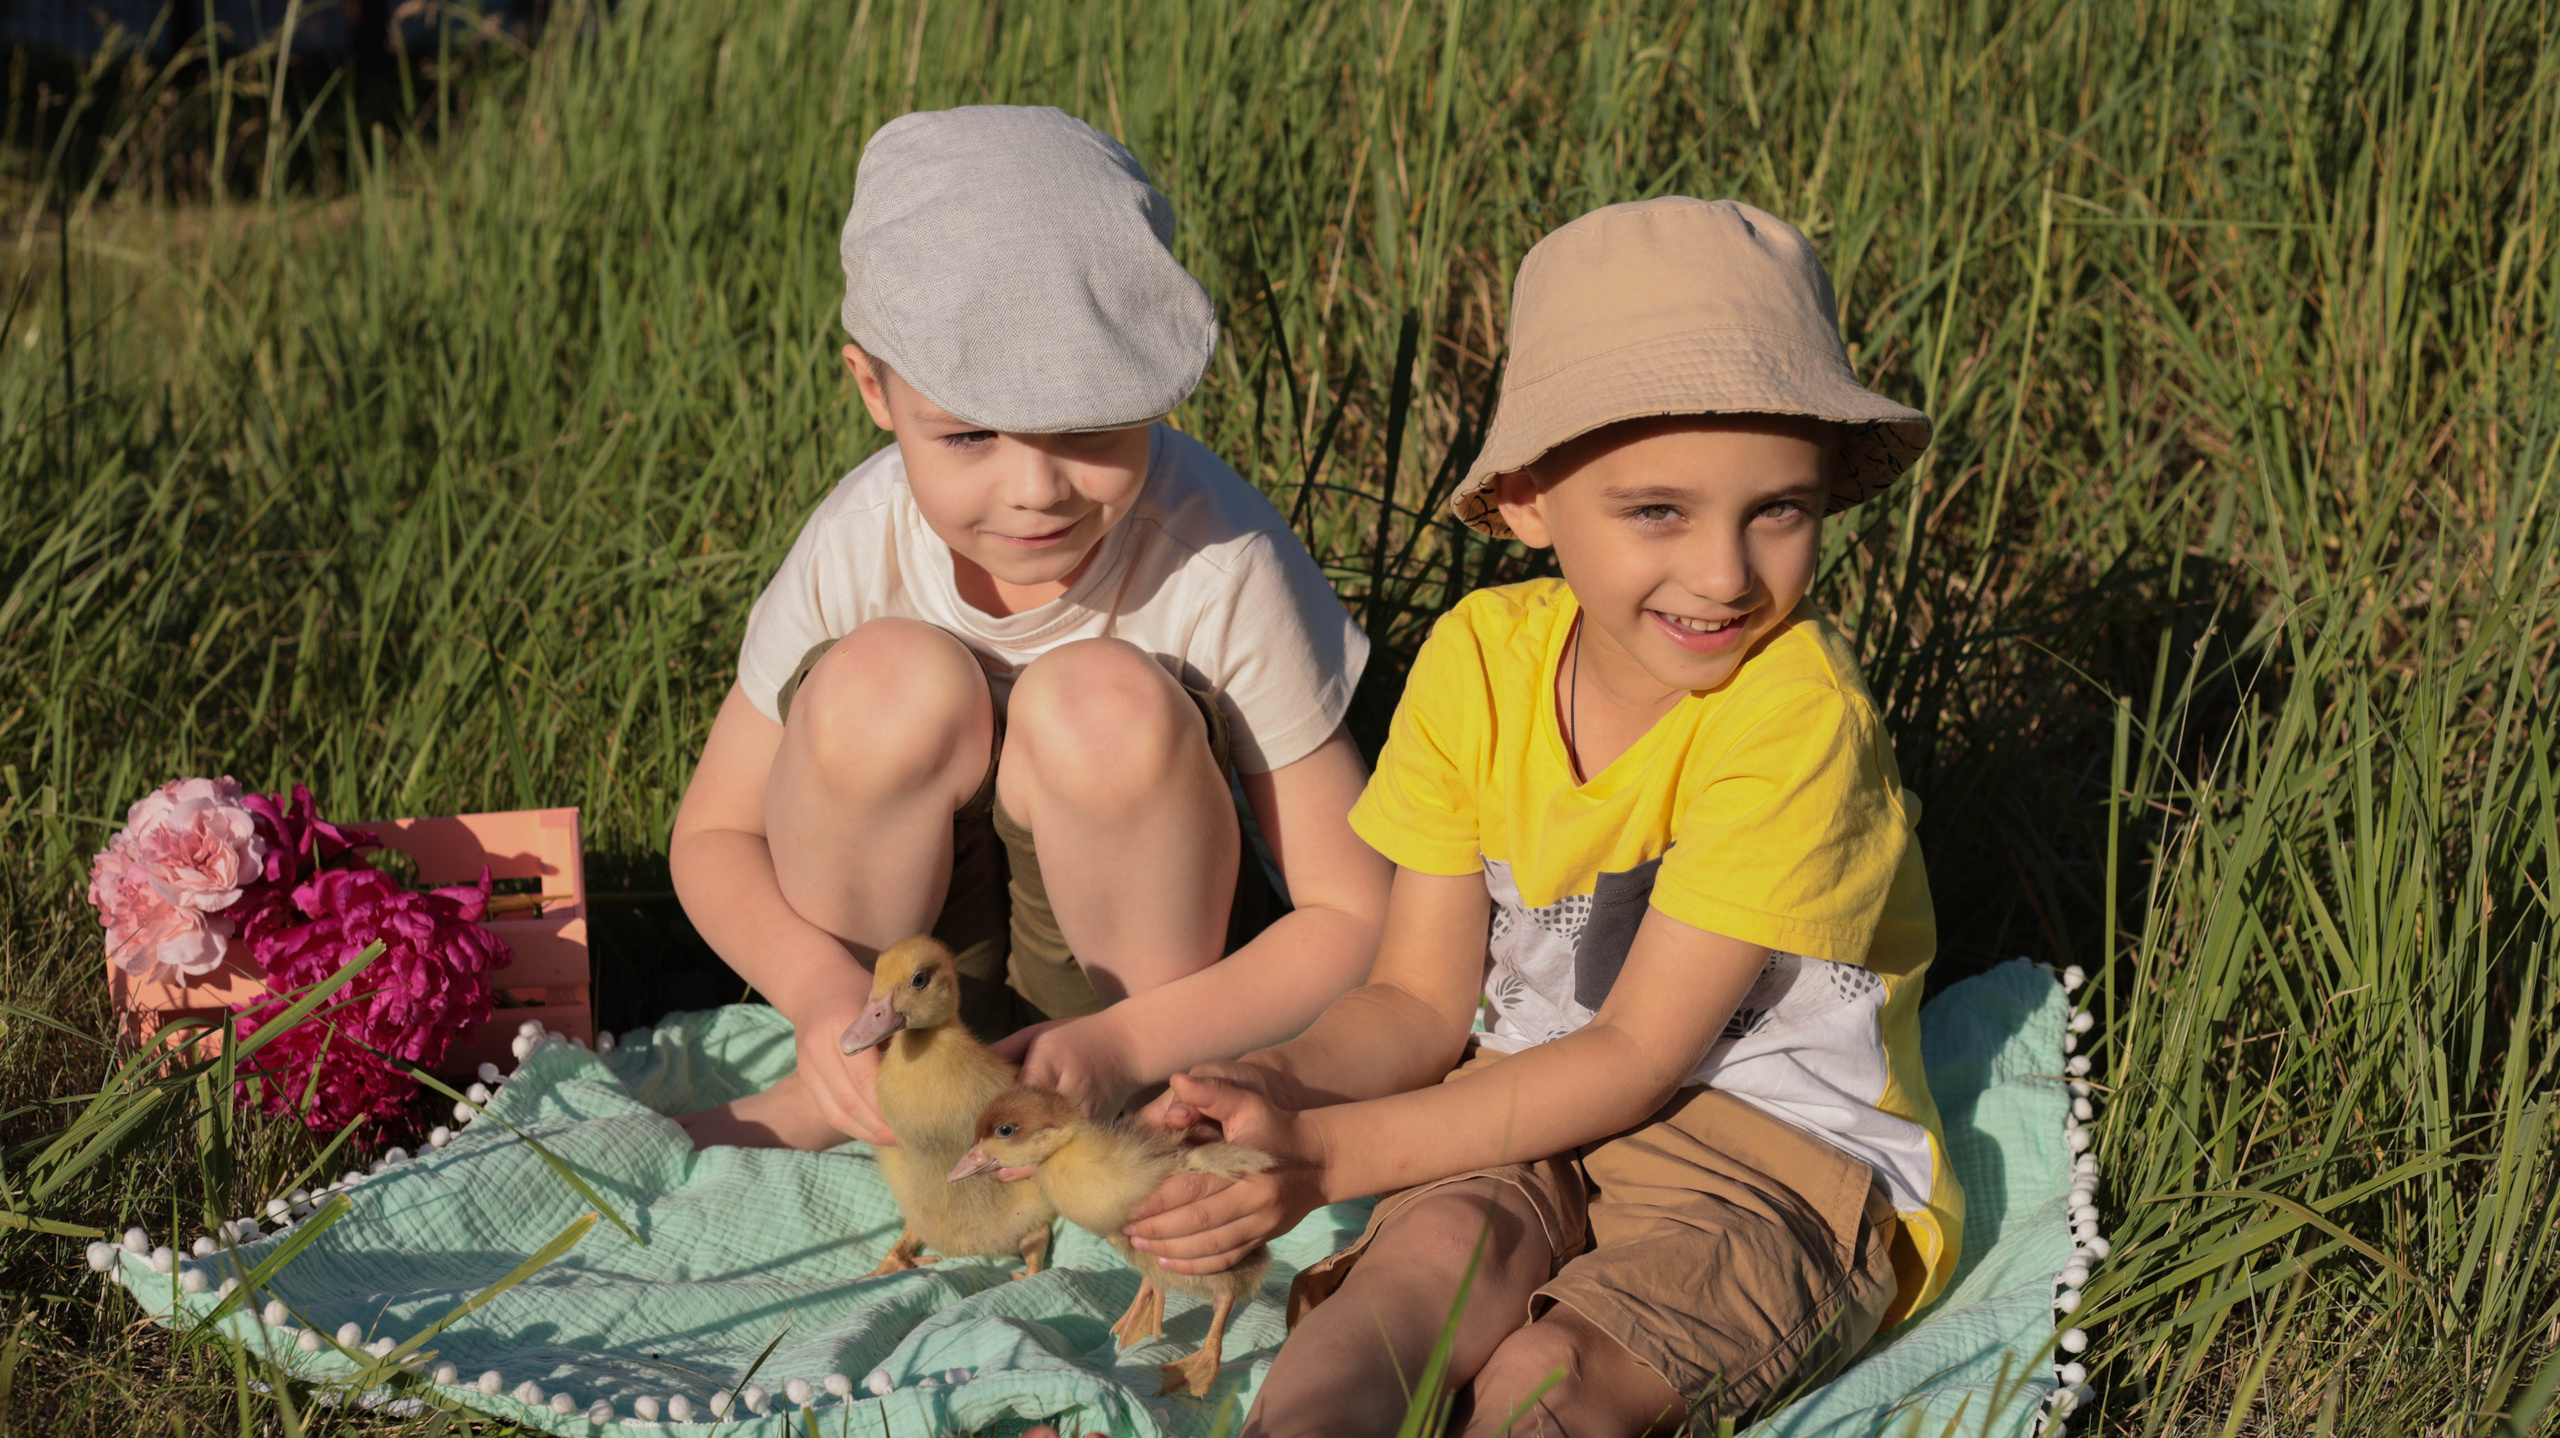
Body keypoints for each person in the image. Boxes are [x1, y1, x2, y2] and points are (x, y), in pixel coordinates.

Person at [1121, 198, 1965, 1435]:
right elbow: (1416, 1001)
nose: (1726, 573)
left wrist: (1334, 1161)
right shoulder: (1477, 664)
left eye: (1776, 508)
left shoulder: (1797, 718)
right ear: (1525, 499)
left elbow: (1634, 1054)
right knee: (1415, 1277)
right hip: (1518, 1099)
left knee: (1547, 1383)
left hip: (1764, 1158)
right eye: (1658, 511)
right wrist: (1276, 1086)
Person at [669, 105, 1389, 1151]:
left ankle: (1121, 1100)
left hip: (1137, 1002)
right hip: (900, 990)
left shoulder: (1218, 557)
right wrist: (825, 998)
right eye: (966, 434)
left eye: (1088, 427)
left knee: (1100, 703)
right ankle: (871, 1088)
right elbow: (713, 833)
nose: (1034, 489)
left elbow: (1353, 914)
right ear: (873, 388)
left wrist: (1127, 1044)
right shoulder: (859, 540)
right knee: (880, 685)